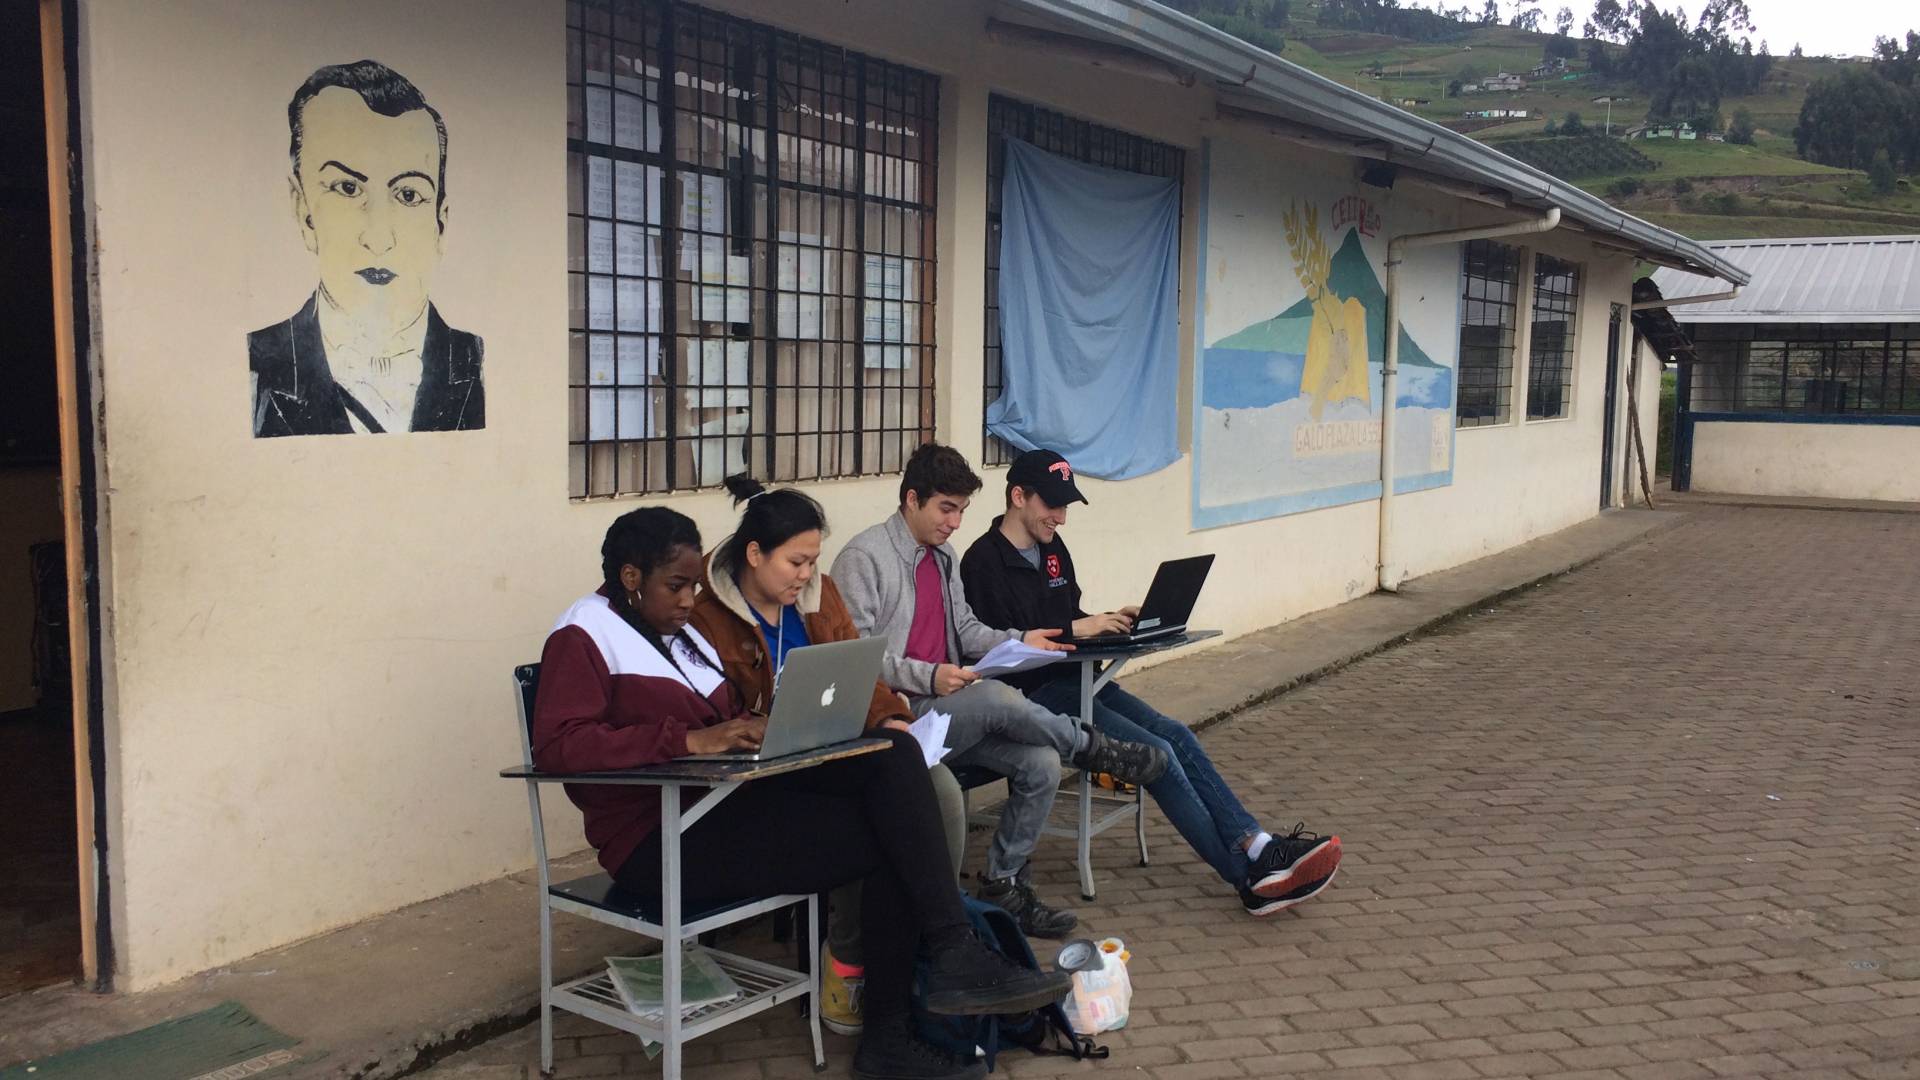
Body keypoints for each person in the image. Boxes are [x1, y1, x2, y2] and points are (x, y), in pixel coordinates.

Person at [532, 506, 1070, 1080]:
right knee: (896, 836)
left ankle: (940, 965)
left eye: (695, 584)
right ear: (631, 578)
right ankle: (916, 1000)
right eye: (677, 586)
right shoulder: (583, 633)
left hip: (726, 805)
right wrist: (690, 736)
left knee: (895, 756)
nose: (691, 599)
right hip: (658, 839)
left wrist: (756, 724)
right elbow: (560, 746)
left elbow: (721, 719)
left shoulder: (678, 634)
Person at [959, 449, 1343, 917]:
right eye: (1052, 505)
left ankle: (1260, 845)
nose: (1059, 517)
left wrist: (1108, 619)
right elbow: (1001, 647)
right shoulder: (982, 563)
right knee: (1157, 759)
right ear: (1018, 496)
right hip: (1034, 698)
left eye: (1065, 507)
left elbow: (1065, 614)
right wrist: (1074, 628)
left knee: (1177, 735)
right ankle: (1247, 879)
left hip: (1080, 680)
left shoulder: (1052, 550)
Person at [832, 443, 1170, 939]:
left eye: (962, 511)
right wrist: (929, 676)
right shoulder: (865, 558)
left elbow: (967, 629)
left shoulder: (944, 557)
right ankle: (1092, 747)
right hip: (896, 715)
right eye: (946, 509)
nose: (954, 523)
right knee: (994, 698)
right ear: (911, 499)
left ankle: (1004, 883)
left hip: (947, 706)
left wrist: (1019, 640)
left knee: (1041, 764)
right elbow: (856, 658)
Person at [687, 474, 971, 1038]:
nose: (806, 576)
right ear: (753, 554)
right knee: (875, 817)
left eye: (813, 561)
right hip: (765, 776)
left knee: (940, 792)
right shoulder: (704, 617)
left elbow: (857, 672)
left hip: (836, 751)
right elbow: (713, 721)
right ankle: (848, 962)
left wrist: (890, 715)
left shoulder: (819, 597)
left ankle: (928, 943)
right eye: (795, 562)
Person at [251, 60, 484, 437]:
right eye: (347, 188)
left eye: (408, 194)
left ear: (439, 225)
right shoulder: (258, 364)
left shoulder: (477, 361)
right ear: (303, 209)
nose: (378, 238)